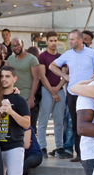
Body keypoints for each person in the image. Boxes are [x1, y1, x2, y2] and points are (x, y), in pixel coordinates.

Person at [50, 29, 94, 162]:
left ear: (80, 40)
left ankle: (91, 152)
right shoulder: (68, 54)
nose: (69, 42)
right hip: (73, 94)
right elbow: (52, 66)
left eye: (72, 39)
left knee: (91, 122)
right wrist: (65, 76)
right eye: (69, 39)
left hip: (88, 94)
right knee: (75, 124)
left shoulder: (92, 53)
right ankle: (79, 153)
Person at [37, 31, 67, 159]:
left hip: (59, 90)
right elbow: (42, 76)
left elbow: (65, 75)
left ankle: (59, 147)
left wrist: (57, 89)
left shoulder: (62, 56)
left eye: (55, 40)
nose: (54, 43)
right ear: (47, 41)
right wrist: (51, 91)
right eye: (51, 40)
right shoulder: (42, 56)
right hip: (46, 90)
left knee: (59, 121)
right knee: (43, 120)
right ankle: (42, 147)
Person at [7, 38, 40, 131]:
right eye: (13, 46)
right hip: (13, 96)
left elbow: (36, 78)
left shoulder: (32, 59)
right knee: (15, 127)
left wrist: (31, 97)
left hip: (26, 96)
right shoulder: (10, 59)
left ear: (23, 45)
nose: (16, 47)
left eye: (17, 45)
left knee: (28, 127)